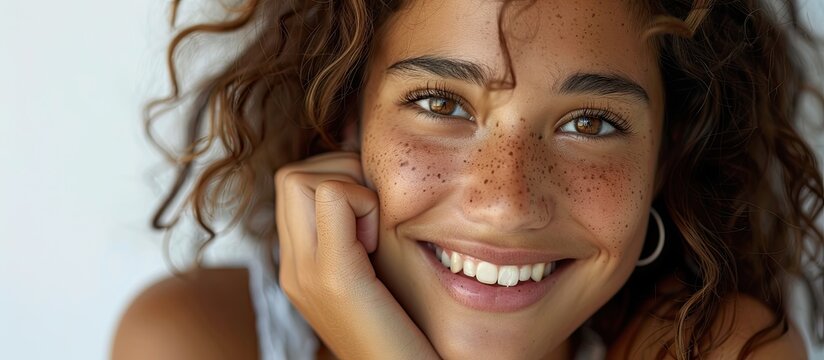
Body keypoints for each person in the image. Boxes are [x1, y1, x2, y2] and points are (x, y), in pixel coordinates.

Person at [111, 0, 824, 358]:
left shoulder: (724, 350)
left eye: (591, 123)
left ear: (665, 157)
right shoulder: (197, 340)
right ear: (345, 120)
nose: (506, 203)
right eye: (440, 105)